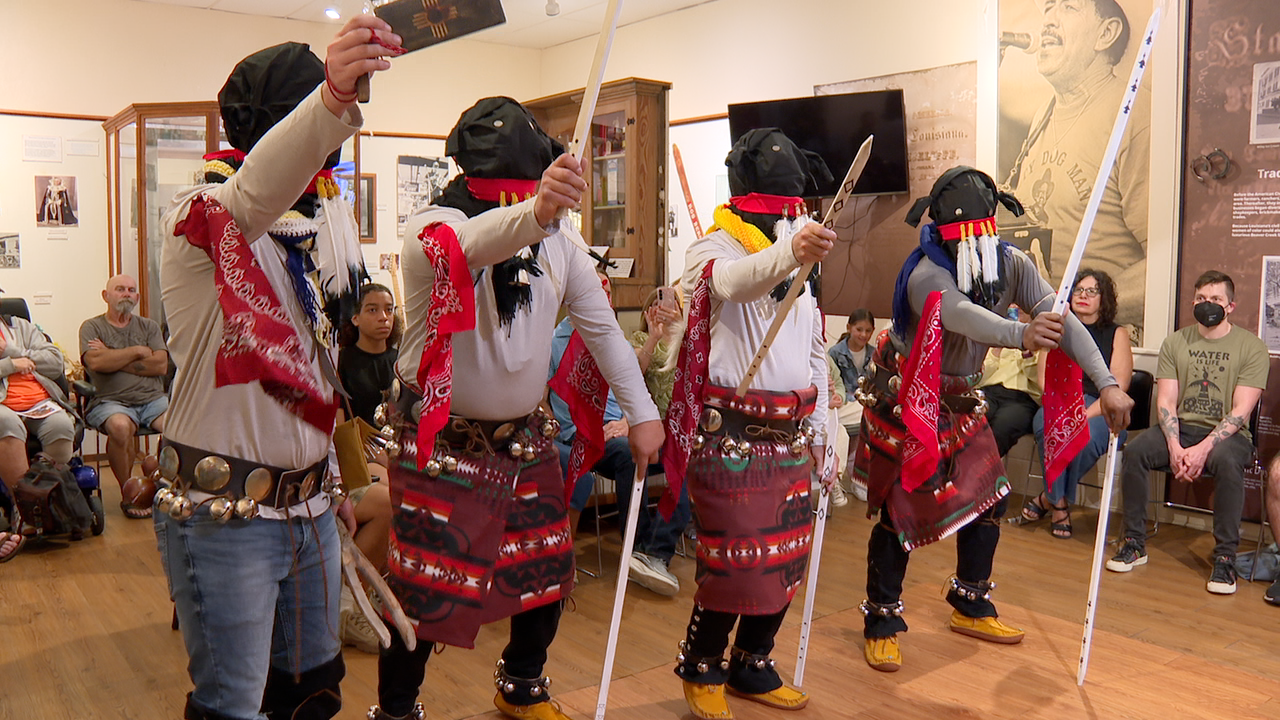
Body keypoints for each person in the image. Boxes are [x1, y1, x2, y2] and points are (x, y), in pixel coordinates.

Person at [375, 96, 662, 720]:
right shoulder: (432, 229)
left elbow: (603, 329)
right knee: (426, 588)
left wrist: (643, 412)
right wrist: (536, 212)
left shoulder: (561, 238)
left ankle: (523, 683)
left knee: (545, 572)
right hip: (442, 440)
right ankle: (397, 708)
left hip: (523, 439)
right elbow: (475, 241)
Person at [156, 23, 400, 720]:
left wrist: (340, 485)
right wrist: (329, 101)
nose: (328, 169)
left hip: (313, 509)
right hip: (225, 518)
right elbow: (255, 193)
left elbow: (322, 378)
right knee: (234, 704)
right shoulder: (202, 217)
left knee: (313, 691)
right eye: (318, 141)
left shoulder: (308, 239)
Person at [853, 166, 1131, 672]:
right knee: (903, 512)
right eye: (963, 236)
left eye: (981, 232)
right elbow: (958, 313)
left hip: (960, 397)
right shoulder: (925, 272)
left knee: (989, 498)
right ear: (938, 229)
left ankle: (970, 601)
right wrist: (1020, 333)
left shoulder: (1009, 263)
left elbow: (1059, 319)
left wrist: (1107, 383)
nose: (974, 243)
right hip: (909, 397)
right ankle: (882, 619)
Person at [665, 128, 834, 719]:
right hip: (728, 431)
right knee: (736, 555)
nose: (787, 220)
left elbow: (815, 346)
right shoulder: (712, 249)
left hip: (790, 431)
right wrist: (792, 252)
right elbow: (735, 285)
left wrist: (824, 434)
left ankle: (753, 661)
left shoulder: (798, 253)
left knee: (786, 555)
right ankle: (703, 661)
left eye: (792, 211)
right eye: (780, 210)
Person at [1106, 271, 1267, 595]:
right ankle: (1134, 542)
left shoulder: (1251, 347)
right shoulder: (1176, 342)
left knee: (1225, 460)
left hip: (1229, 437)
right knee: (1136, 452)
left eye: (1216, 300)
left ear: (1230, 305)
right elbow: (1166, 400)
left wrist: (1201, 449)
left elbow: (1241, 411)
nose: (1208, 305)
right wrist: (1176, 445)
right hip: (1180, 430)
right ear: (1193, 301)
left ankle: (1224, 557)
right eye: (1202, 299)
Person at [1006, 0, 1148, 329]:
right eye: (1048, 8)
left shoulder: (1135, 115)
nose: (1049, 21)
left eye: (1068, 8)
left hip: (1099, 343)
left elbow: (1169, 265)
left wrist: (1075, 308)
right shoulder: (1044, 113)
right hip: (1043, 335)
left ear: (1106, 33)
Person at [550, 280, 691, 597]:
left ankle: (652, 550)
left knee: (674, 455)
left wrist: (629, 421)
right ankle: (637, 544)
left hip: (619, 427)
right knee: (631, 457)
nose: (606, 301)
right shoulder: (554, 340)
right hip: (582, 435)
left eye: (608, 295)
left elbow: (633, 373)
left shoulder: (612, 336)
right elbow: (541, 397)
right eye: (599, 294)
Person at [1026, 269, 1132, 539]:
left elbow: (1119, 385)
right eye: (1078, 290)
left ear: (1103, 298)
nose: (1083, 296)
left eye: (1091, 291)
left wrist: (1083, 414)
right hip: (1060, 399)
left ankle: (1050, 499)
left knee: (1084, 437)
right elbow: (1043, 379)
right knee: (1044, 426)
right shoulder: (1055, 326)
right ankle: (1059, 502)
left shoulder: (1117, 333)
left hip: (1100, 407)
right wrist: (1068, 409)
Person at [335, 282, 399, 653]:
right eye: (373, 309)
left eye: (388, 309)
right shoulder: (341, 362)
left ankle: (381, 590)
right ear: (356, 317)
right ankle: (351, 601)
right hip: (353, 460)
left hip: (396, 453)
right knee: (391, 497)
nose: (383, 317)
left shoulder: (402, 360)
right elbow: (341, 428)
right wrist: (374, 458)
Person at [79, 273, 170, 518]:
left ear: (137, 297)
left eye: (131, 290)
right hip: (110, 401)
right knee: (120, 427)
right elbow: (96, 362)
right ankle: (129, 492)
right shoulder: (92, 326)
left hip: (153, 400)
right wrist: (139, 352)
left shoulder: (148, 326)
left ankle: (165, 483)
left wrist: (113, 355)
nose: (126, 294)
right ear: (106, 296)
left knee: (179, 425)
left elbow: (160, 366)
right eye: (120, 289)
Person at [0, 303, 77, 561]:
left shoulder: (20, 326)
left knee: (61, 425)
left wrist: (14, 350)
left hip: (37, 401)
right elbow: (19, 363)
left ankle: (49, 501)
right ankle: (22, 509)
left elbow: (55, 362)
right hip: (2, 405)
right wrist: (12, 364)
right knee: (7, 423)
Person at [829, 309, 876, 504]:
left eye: (868, 330)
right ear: (849, 328)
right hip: (845, 404)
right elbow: (836, 383)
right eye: (859, 329)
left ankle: (859, 476)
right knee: (849, 426)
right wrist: (840, 396)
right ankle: (844, 476)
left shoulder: (874, 353)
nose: (863, 335)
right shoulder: (835, 353)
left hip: (864, 402)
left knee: (871, 419)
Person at [976, 344, 1042, 457]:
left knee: (1003, 426)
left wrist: (1027, 354)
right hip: (989, 392)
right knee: (969, 420)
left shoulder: (1042, 347)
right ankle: (957, 469)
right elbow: (979, 379)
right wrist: (996, 351)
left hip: (1021, 399)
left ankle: (982, 470)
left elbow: (1039, 384)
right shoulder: (996, 340)